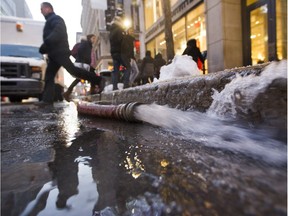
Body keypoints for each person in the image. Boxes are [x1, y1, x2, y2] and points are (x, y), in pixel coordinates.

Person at [38, 2, 105, 106]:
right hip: (54, 53)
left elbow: (58, 33)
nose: (41, 11)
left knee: (73, 71)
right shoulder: (51, 21)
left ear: (48, 9)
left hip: (60, 52)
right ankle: (47, 100)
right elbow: (53, 36)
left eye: (42, 9)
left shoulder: (55, 19)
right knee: (49, 76)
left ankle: (99, 79)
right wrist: (46, 47)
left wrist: (45, 44)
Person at [62, 34, 98, 102]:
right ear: (89, 38)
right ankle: (93, 92)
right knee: (92, 76)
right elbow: (79, 52)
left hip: (83, 63)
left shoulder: (87, 44)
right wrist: (82, 60)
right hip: (83, 64)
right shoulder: (86, 44)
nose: (94, 40)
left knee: (79, 78)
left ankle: (67, 92)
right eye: (93, 38)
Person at [109, 16, 129, 90]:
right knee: (128, 67)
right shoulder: (119, 30)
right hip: (121, 52)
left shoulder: (111, 31)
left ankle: (115, 87)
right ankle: (126, 85)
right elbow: (122, 42)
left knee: (116, 70)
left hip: (114, 53)